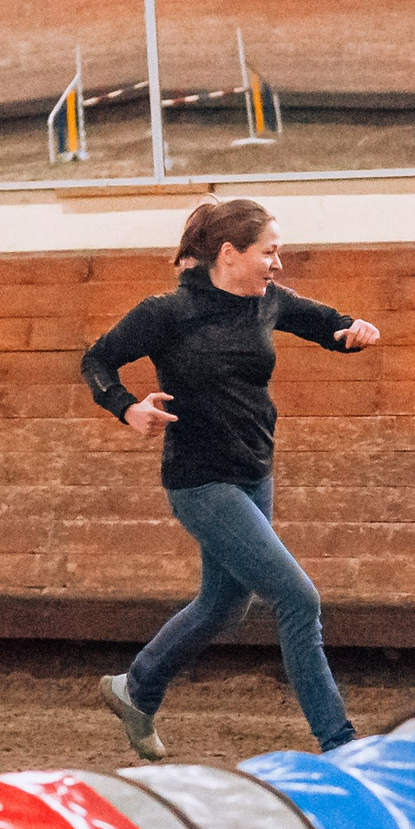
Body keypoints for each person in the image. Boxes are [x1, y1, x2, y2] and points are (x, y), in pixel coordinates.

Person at [80, 197, 381, 759]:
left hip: (254, 473)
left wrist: (353, 330)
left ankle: (137, 688)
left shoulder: (268, 302)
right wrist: (127, 408)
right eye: (269, 252)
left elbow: (328, 325)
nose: (277, 264)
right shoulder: (167, 313)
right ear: (229, 254)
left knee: (224, 604)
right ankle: (340, 744)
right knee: (298, 599)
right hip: (200, 482)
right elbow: (96, 360)